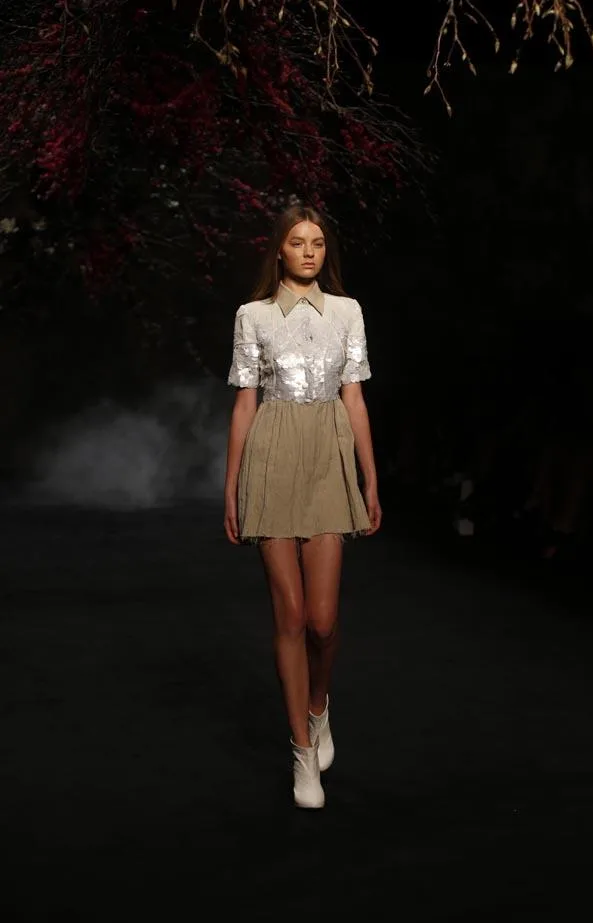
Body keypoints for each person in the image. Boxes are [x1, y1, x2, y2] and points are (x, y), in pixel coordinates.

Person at [223, 203, 382, 809]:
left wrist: (369, 480)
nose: (309, 251)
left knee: (322, 620)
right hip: (271, 456)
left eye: (318, 241)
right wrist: (232, 485)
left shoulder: (347, 312)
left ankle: (319, 707)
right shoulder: (252, 316)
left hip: (326, 456)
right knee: (289, 617)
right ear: (279, 251)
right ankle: (300, 752)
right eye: (298, 242)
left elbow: (355, 397)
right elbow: (244, 404)